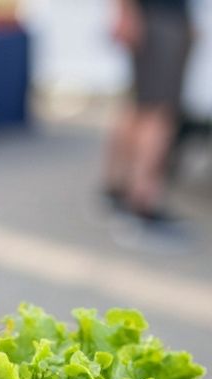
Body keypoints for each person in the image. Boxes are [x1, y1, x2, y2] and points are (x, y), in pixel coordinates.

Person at [102, 0, 195, 245]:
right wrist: (125, 12)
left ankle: (118, 193)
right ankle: (143, 207)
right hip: (160, 18)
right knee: (159, 115)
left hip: (158, 18)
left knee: (141, 107)